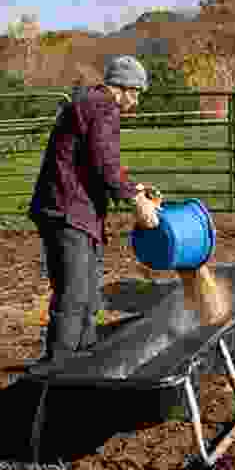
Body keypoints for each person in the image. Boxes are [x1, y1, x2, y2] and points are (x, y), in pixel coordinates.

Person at [28, 55, 160, 363]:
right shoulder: (103, 106)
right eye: (136, 92)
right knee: (74, 296)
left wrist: (133, 189)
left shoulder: (91, 103)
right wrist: (135, 200)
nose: (136, 102)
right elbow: (105, 161)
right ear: (124, 88)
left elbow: (94, 162)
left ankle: (83, 365)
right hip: (68, 212)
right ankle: (56, 374)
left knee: (87, 296)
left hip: (74, 211)